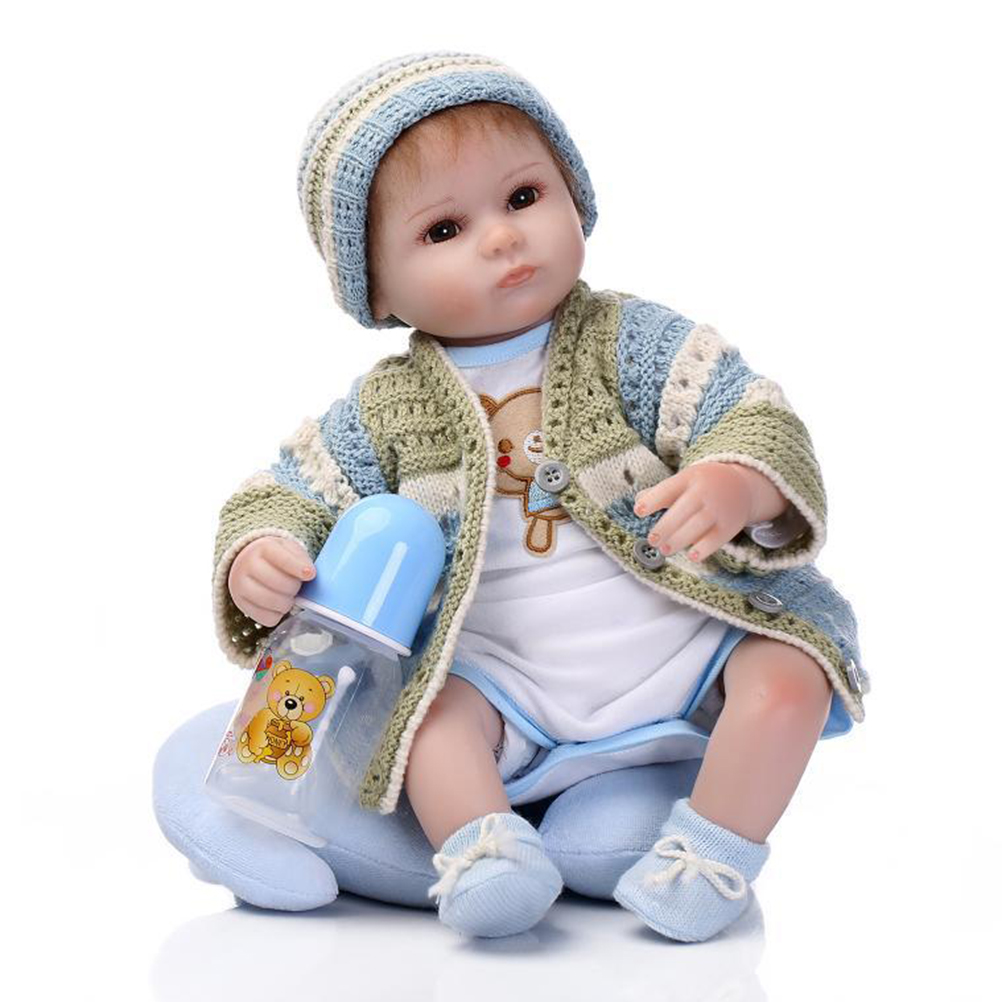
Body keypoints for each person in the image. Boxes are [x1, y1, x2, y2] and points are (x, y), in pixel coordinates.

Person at [173, 51, 867, 942]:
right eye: (444, 229)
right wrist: (259, 555)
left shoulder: (633, 341)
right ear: (374, 287)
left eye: (524, 197)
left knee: (788, 677)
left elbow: (749, 412)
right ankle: (486, 853)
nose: (502, 238)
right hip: (509, 680)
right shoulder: (385, 409)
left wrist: (739, 482)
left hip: (685, 639)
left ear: (575, 195)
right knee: (428, 722)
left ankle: (709, 859)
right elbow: (285, 493)